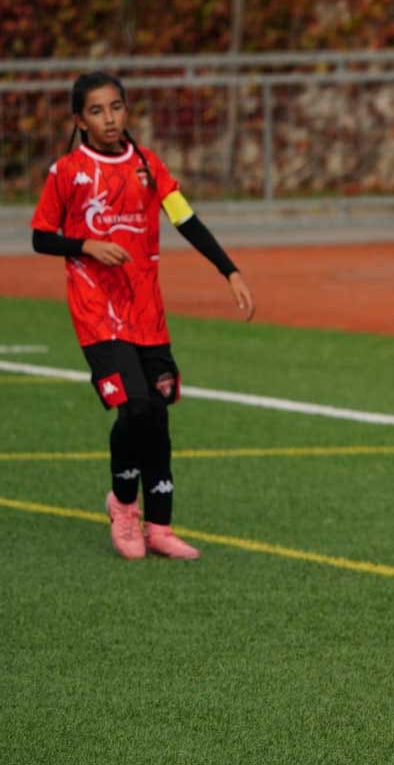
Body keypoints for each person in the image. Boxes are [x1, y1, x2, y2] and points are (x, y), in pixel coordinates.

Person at [30, 71, 255, 561]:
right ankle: (123, 506)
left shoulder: (149, 166)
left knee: (158, 413)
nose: (109, 119)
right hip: (95, 310)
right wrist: (86, 245)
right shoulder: (67, 171)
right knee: (133, 408)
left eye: (116, 107)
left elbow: (185, 218)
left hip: (146, 312)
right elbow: (40, 236)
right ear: (80, 121)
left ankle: (160, 526)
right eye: (96, 111)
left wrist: (229, 270)